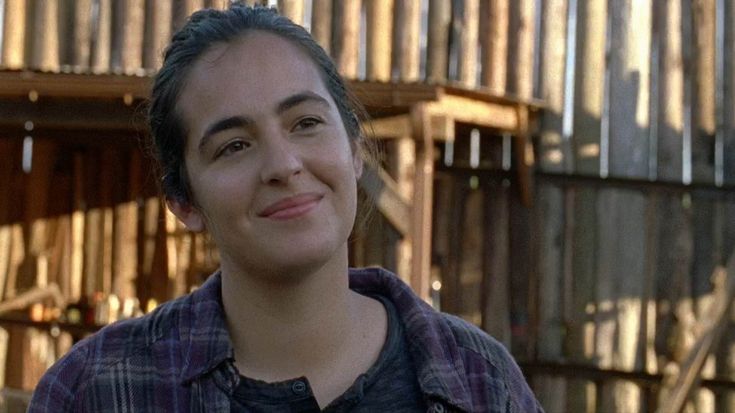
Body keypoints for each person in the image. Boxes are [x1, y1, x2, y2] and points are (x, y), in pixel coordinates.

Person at [29, 4, 542, 412]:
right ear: (184, 203)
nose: (283, 164)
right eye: (233, 145)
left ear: (355, 149)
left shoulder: (479, 381)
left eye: (306, 123)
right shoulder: (97, 393)